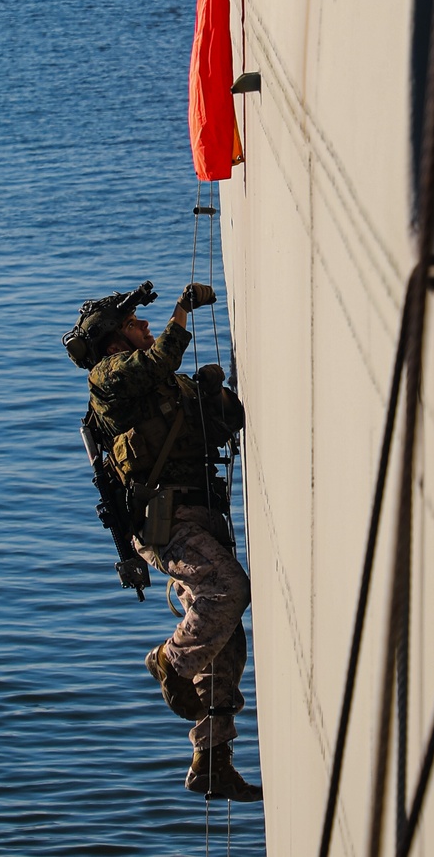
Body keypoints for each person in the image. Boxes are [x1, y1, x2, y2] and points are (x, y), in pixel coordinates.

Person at [63, 281, 262, 802]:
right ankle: (169, 661)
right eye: (135, 325)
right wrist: (180, 311)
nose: (146, 328)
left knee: (225, 644)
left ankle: (211, 761)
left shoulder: (166, 388)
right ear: (113, 345)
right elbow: (156, 360)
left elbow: (225, 422)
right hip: (165, 520)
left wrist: (215, 396)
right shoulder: (108, 380)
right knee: (227, 589)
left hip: (201, 511)